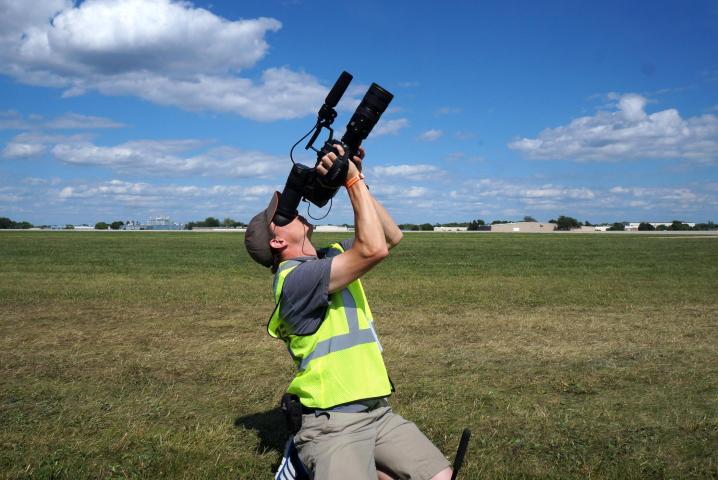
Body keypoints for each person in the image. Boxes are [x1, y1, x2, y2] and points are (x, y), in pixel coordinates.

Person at [245, 145, 452, 480]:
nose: (291, 210)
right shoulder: (296, 280)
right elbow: (373, 250)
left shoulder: (329, 259)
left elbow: (389, 235)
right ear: (277, 243)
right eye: (280, 216)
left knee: (439, 475)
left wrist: (358, 182)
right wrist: (351, 182)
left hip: (376, 410)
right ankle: (299, 461)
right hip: (331, 422)